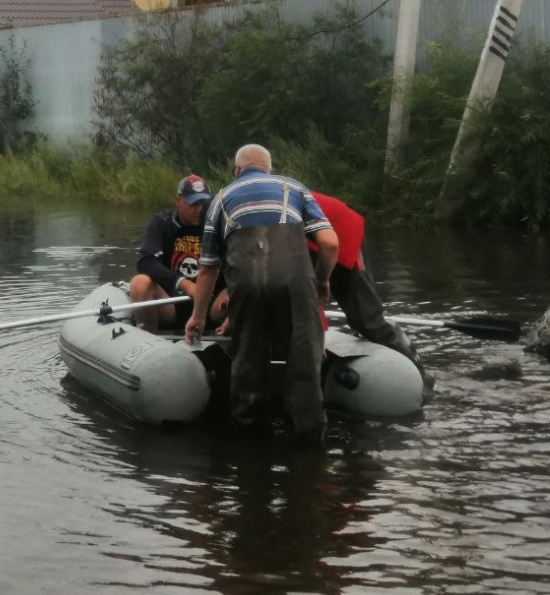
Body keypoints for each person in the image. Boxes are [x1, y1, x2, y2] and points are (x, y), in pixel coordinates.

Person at [185, 144, 337, 442]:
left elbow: (208, 269)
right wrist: (322, 281)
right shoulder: (295, 188)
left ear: (237, 170)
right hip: (296, 282)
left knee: (248, 358)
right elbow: (330, 244)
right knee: (304, 355)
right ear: (270, 168)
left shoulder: (220, 200)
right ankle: (308, 440)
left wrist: (198, 317)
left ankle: (249, 436)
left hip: (246, 284)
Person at [308, 192, 432, 389]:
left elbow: (307, 290)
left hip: (342, 236)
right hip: (316, 242)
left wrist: (319, 331)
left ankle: (422, 379)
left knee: (366, 320)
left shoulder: (274, 227)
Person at [128, 174, 229, 333]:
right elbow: (146, 261)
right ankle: (147, 338)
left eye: (203, 204)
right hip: (171, 302)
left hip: (212, 305)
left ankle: (235, 335)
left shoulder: (220, 225)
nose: (199, 209)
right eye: (193, 204)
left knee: (242, 286)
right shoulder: (161, 223)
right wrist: (186, 285)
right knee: (139, 283)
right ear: (178, 201)